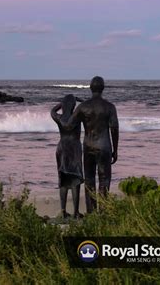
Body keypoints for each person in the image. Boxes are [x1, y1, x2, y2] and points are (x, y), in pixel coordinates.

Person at [68, 76, 119, 213]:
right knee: (104, 180)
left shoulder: (83, 107)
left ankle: (91, 212)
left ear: (91, 88)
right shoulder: (109, 107)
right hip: (104, 147)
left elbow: (69, 125)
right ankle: (103, 211)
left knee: (89, 179)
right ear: (103, 89)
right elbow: (114, 129)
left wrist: (61, 109)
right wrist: (115, 150)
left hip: (88, 146)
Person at [51, 94, 84, 219]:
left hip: (62, 147)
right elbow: (87, 107)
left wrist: (62, 103)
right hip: (75, 148)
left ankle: (63, 211)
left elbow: (52, 110)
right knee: (76, 179)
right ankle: (76, 212)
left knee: (63, 179)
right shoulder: (78, 117)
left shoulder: (59, 118)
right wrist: (78, 100)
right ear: (73, 106)